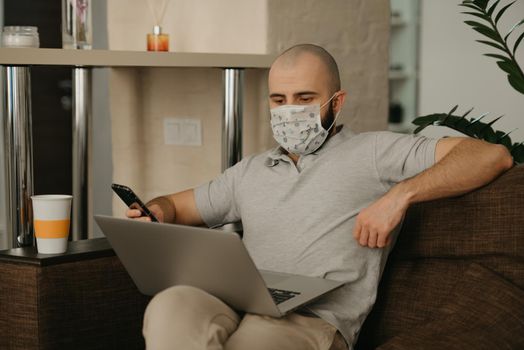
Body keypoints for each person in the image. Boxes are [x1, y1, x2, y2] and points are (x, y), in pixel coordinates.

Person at [126, 44, 513, 350]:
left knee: (253, 341)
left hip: (313, 321)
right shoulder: (251, 171)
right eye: (279, 100)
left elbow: (491, 155)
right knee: (170, 305)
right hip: (237, 302)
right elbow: (175, 207)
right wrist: (154, 210)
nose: (290, 110)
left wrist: (400, 195)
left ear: (336, 102)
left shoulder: (373, 152)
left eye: (305, 97)